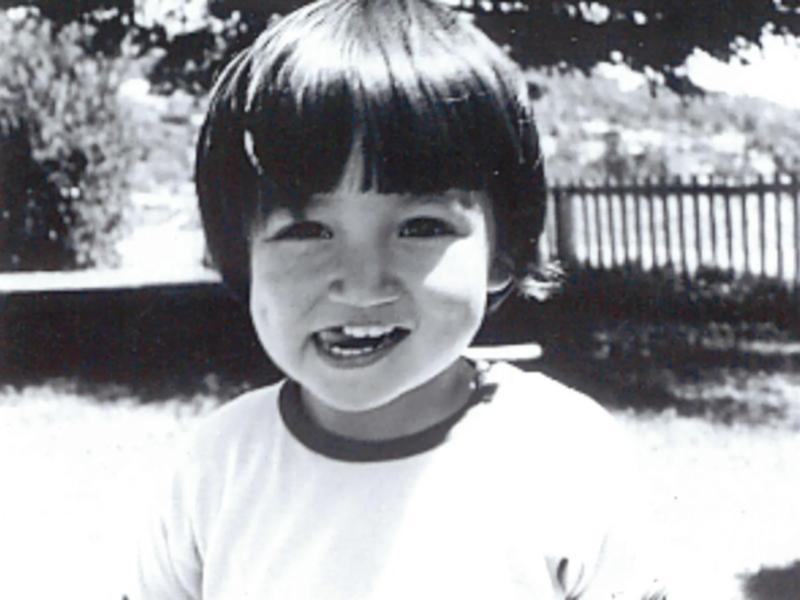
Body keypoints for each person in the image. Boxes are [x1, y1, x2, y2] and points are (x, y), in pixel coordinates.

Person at [125, 0, 667, 597]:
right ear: (239, 255)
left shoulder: (568, 458)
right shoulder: (215, 469)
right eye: (306, 230)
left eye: (421, 227)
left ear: (503, 250)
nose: (362, 284)